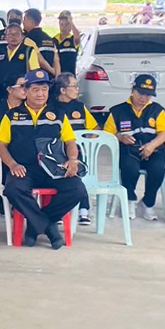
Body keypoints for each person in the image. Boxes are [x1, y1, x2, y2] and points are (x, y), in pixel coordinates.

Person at [0, 69, 84, 249]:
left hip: (53, 169)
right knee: (13, 190)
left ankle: (35, 226)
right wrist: (12, 164)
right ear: (26, 90)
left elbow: (70, 141)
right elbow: (1, 145)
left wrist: (73, 160)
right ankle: (49, 228)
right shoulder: (12, 115)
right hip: (25, 169)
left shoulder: (58, 114)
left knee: (77, 190)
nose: (40, 94)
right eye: (35, 89)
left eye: (44, 89)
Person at [103, 73, 165, 222]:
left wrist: (152, 145)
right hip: (129, 150)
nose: (144, 98)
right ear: (132, 90)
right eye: (141, 93)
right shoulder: (118, 111)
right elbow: (107, 134)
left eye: (148, 95)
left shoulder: (157, 110)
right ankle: (130, 200)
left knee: (158, 170)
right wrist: (120, 137)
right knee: (129, 168)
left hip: (153, 150)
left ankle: (148, 203)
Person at [53, 73, 99, 225]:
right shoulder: (51, 107)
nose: (77, 89)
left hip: (78, 152)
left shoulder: (80, 107)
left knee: (78, 170)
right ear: (63, 90)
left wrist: (88, 140)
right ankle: (60, 211)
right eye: (74, 86)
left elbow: (95, 129)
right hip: (57, 152)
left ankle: (83, 210)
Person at [0, 24, 36, 132]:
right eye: (10, 34)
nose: (13, 37)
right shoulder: (0, 51)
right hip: (1, 93)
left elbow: (34, 74)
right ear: (5, 37)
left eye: (16, 34)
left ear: (22, 36)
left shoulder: (29, 51)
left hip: (20, 94)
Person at [20, 8, 60, 74]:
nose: (23, 23)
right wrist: (57, 75)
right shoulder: (49, 38)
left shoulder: (29, 39)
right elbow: (56, 60)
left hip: (37, 76)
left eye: (24, 19)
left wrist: (52, 71)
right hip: (51, 77)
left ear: (30, 20)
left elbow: (40, 60)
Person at [54, 11, 82, 75]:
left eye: (66, 24)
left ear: (70, 26)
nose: (63, 27)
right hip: (58, 75)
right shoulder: (54, 39)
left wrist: (71, 22)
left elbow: (77, 37)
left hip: (70, 75)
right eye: (61, 24)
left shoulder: (73, 39)